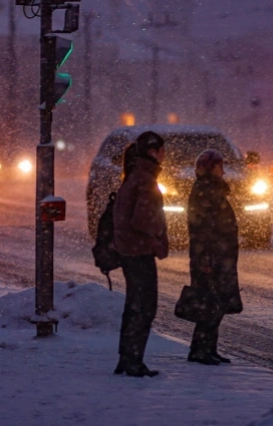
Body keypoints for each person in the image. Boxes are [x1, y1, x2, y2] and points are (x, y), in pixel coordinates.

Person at [112, 131, 168, 377]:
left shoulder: (134, 175)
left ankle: (127, 359)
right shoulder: (145, 179)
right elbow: (142, 219)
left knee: (134, 305)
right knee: (144, 306)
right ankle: (134, 360)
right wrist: (157, 235)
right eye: (162, 150)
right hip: (139, 251)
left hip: (129, 249)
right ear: (153, 152)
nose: (165, 155)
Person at [185, 149, 243, 365]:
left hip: (219, 256)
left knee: (216, 303)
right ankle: (200, 350)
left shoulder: (211, 189)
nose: (224, 171)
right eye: (220, 166)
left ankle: (208, 348)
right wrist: (206, 260)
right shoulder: (205, 191)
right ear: (211, 168)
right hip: (211, 258)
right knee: (210, 303)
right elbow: (202, 229)